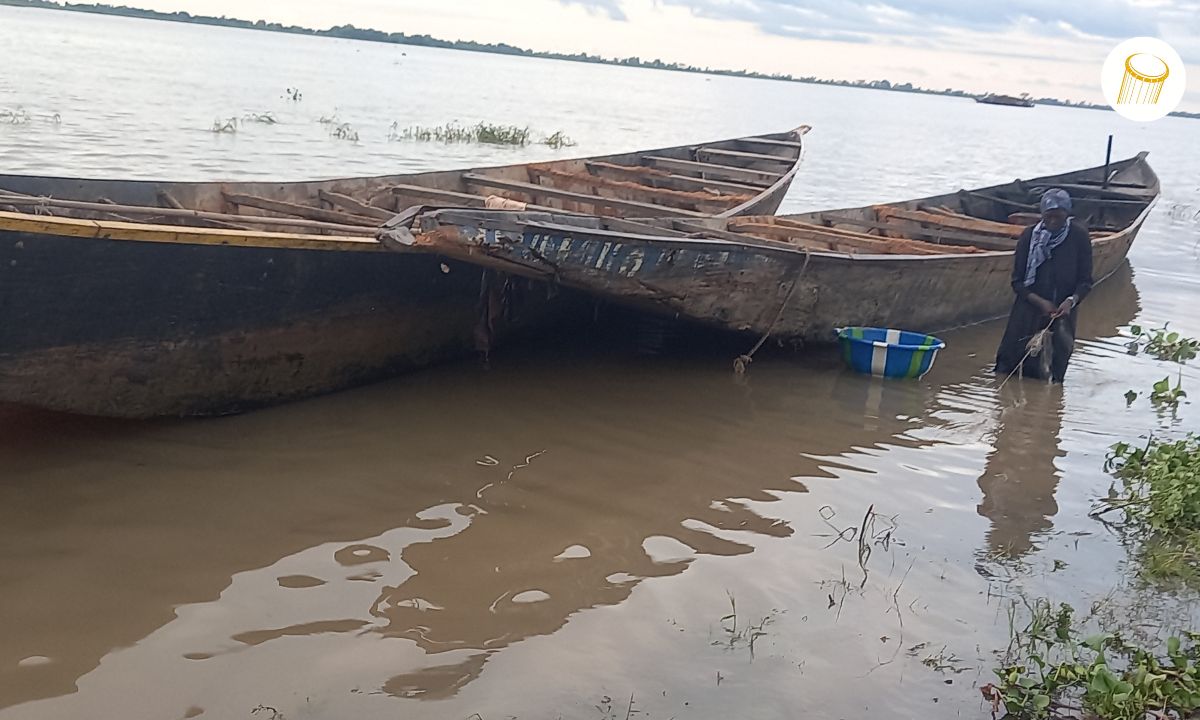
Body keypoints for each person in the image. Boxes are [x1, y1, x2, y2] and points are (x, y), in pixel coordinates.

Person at [994, 188, 1093, 383]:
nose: (1053, 221)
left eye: (1058, 216)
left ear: (1067, 215)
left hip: (1063, 313)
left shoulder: (1079, 237)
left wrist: (1070, 301)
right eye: (1048, 217)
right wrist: (1041, 303)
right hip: (1027, 312)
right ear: (1042, 215)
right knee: (1008, 366)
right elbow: (1017, 282)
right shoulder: (1029, 237)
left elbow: (1086, 281)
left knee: (1055, 371)